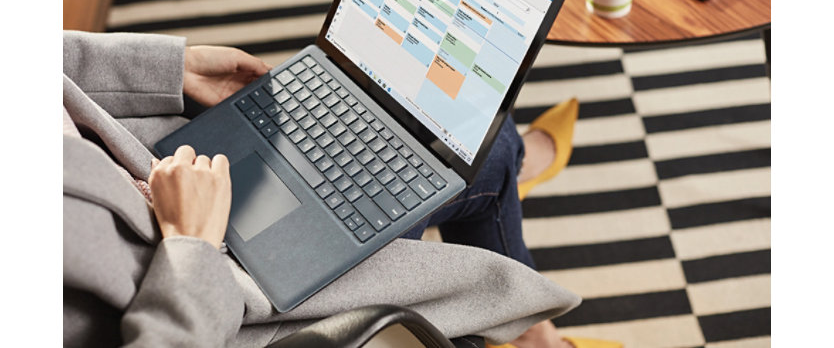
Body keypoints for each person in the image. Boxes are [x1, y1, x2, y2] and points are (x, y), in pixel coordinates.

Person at [62, 31, 615, 348]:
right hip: (207, 286)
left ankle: (529, 316)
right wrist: (192, 246)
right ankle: (538, 338)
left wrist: (164, 68)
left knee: (447, 149)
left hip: (150, 159)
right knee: (487, 155)